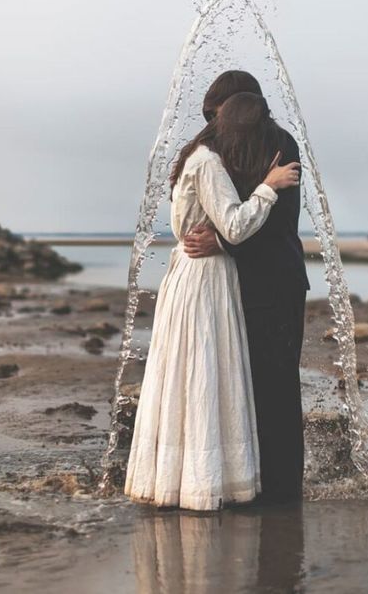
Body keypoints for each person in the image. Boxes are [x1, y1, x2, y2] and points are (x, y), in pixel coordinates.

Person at [124, 92, 300, 511]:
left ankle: (180, 479)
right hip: (205, 279)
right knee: (204, 374)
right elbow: (236, 227)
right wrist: (268, 187)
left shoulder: (196, 157)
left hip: (191, 274)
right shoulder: (208, 163)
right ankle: (202, 483)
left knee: (189, 374)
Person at [184, 71, 310, 502]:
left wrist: (220, 241)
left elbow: (280, 218)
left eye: (221, 111)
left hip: (275, 283)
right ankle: (246, 484)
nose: (219, 120)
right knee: (237, 388)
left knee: (277, 388)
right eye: (213, 114)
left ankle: (283, 494)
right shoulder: (212, 150)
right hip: (227, 287)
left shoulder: (282, 143)